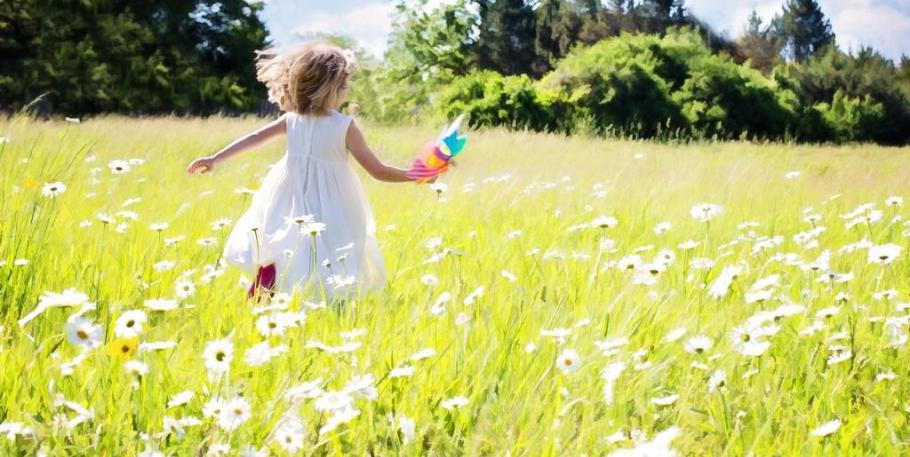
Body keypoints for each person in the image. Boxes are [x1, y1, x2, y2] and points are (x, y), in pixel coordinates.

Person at [186, 42, 429, 300]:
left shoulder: (292, 120)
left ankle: (270, 297)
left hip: (288, 196)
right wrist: (416, 174)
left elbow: (256, 138)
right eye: (344, 84)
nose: (347, 90)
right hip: (332, 202)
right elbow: (377, 170)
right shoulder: (344, 126)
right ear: (329, 87)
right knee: (330, 253)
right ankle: (317, 302)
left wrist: (216, 159)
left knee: (284, 244)